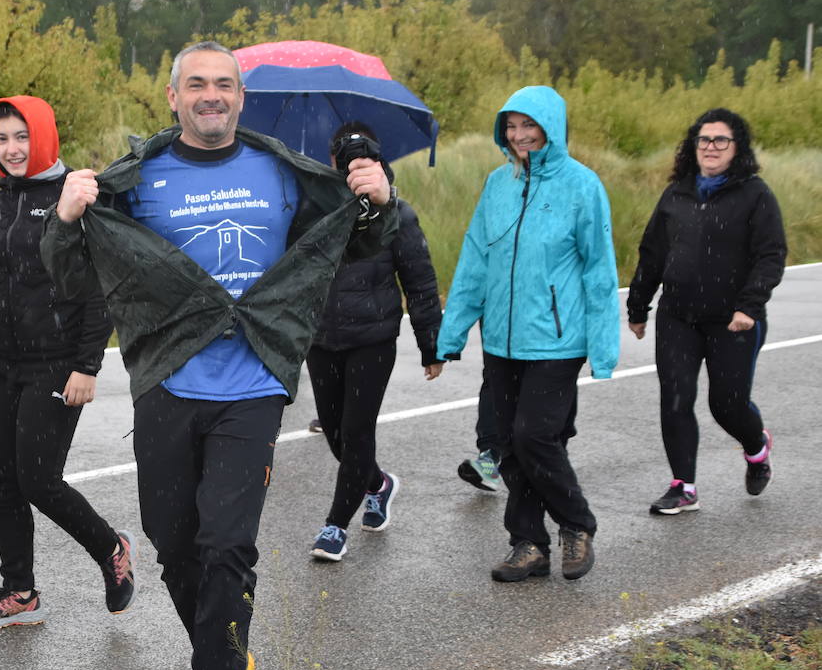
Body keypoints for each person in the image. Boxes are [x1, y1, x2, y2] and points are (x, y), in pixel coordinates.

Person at [42, 41, 396, 670]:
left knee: (227, 546)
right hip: (168, 379)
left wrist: (378, 207)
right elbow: (70, 270)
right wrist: (68, 217)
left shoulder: (281, 171)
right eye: (196, 84)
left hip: (255, 382)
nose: (211, 95)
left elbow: (343, 247)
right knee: (175, 544)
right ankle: (227, 644)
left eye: (224, 84)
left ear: (242, 98)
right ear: (172, 98)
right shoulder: (138, 180)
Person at [0, 95, 134, 630]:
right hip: (4, 364)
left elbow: (101, 291)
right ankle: (19, 592)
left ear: (44, 136)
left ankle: (111, 548)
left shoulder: (76, 196)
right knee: (1, 479)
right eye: (2, 138)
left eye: (21, 137)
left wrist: (87, 366)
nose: (11, 149)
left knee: (38, 479)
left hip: (57, 362)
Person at [434, 85, 619, 584]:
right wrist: (451, 335)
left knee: (535, 436)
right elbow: (475, 261)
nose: (519, 136)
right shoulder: (497, 185)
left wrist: (603, 347)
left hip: (557, 342)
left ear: (551, 129)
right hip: (501, 340)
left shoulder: (583, 187)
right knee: (502, 441)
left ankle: (576, 524)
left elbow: (600, 272)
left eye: (529, 126)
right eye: (511, 127)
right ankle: (529, 543)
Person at [627, 108, 785, 515]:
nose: (710, 147)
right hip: (678, 315)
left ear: (737, 148)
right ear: (693, 146)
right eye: (704, 140)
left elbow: (771, 255)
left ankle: (756, 447)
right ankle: (684, 486)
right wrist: (639, 305)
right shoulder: (676, 193)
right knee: (675, 398)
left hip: (733, 319)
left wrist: (749, 306)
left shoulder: (755, 194)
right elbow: (653, 251)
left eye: (720, 140)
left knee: (727, 405)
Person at [308, 122, 442, 562]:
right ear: (332, 163)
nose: (352, 166)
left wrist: (430, 344)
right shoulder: (318, 209)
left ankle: (335, 526)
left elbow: (420, 281)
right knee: (333, 433)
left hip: (373, 338)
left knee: (356, 430)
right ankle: (378, 484)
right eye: (344, 159)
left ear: (378, 160)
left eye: (362, 158)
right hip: (322, 338)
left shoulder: (398, 214)